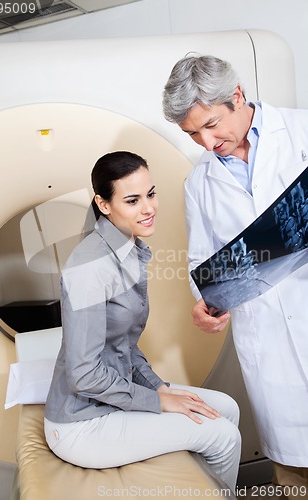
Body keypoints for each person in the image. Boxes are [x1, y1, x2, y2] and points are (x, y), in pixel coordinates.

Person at [44, 151, 241, 492]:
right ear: (103, 205)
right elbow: (83, 373)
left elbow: (125, 346)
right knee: (221, 434)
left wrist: (158, 387)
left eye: (150, 194)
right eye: (132, 200)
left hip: (111, 396)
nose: (148, 208)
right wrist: (157, 400)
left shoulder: (129, 248)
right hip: (82, 422)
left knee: (227, 408)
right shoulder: (90, 267)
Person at [162, 55, 308, 495]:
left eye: (211, 125)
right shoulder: (199, 182)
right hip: (267, 336)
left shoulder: (301, 132)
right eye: (191, 134)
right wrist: (207, 304)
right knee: (293, 473)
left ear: (237, 97)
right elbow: (200, 263)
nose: (206, 143)